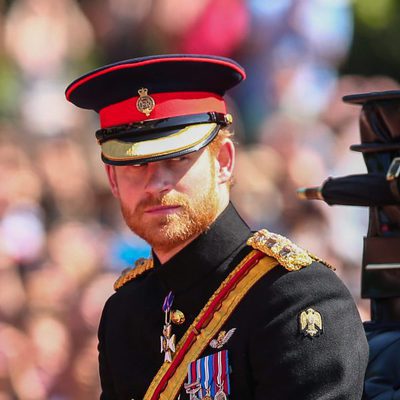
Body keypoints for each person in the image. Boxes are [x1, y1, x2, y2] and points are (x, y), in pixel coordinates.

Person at [65, 54, 369, 400]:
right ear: (113, 179)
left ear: (223, 161)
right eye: (135, 165)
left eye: (176, 159)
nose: (155, 184)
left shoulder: (295, 296)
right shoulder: (125, 312)